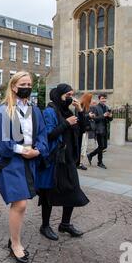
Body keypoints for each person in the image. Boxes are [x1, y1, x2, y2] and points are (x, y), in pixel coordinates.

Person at [0, 72, 48, 263]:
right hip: (10, 160)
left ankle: (13, 238)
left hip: (30, 160)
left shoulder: (34, 110)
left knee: (21, 203)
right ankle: (15, 244)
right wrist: (22, 149)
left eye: (29, 83)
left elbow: (43, 134)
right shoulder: (3, 111)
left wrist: (38, 150)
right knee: (20, 203)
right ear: (13, 87)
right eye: (23, 83)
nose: (27, 86)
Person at [36, 85, 90, 242]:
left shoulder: (68, 112)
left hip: (68, 159)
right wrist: (66, 123)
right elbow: (48, 135)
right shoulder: (50, 111)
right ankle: (45, 225)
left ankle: (65, 224)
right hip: (54, 160)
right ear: (59, 95)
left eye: (72, 95)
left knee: (73, 190)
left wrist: (80, 110)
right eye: (68, 94)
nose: (70, 97)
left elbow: (84, 128)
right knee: (49, 193)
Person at [87, 94, 113, 169]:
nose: (104, 100)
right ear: (99, 99)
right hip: (98, 130)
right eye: (102, 98)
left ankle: (91, 155)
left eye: (105, 98)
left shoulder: (106, 107)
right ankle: (100, 162)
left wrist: (110, 116)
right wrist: (103, 116)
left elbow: (109, 120)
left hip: (105, 129)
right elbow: (94, 119)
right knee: (101, 146)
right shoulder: (95, 108)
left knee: (104, 146)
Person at [77, 93, 96, 171]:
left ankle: (80, 162)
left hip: (86, 129)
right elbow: (80, 117)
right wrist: (89, 116)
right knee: (82, 146)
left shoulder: (86, 106)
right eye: (90, 99)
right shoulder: (80, 105)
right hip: (81, 130)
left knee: (84, 146)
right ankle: (79, 163)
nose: (91, 101)